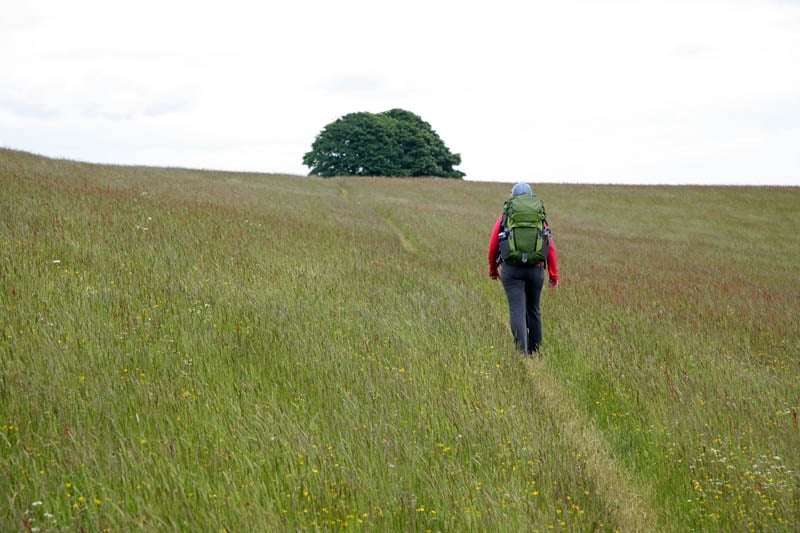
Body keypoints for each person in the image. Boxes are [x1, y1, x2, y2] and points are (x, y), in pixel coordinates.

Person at [487, 183, 559, 355]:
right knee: (534, 309)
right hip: (536, 269)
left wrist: (492, 269)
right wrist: (553, 275)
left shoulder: (506, 216)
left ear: (513, 197)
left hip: (512, 270)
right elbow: (550, 247)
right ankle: (535, 352)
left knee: (517, 309)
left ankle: (522, 353)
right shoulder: (539, 217)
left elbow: (493, 245)